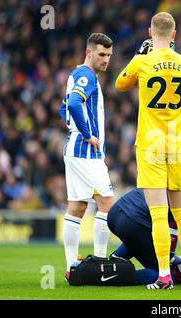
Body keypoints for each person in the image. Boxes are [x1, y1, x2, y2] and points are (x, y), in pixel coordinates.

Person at [115, 12, 181, 289]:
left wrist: (142, 54)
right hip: (178, 143)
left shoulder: (142, 61)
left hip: (151, 144)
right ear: (174, 35)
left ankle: (164, 275)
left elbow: (120, 84)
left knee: (159, 214)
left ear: (150, 32)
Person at [58, 33, 114, 280]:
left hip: (75, 149)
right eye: (101, 54)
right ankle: (101, 262)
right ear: (88, 52)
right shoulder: (87, 75)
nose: (106, 60)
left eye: (109, 55)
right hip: (85, 151)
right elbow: (71, 105)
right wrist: (88, 133)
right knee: (108, 205)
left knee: (78, 206)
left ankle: (72, 268)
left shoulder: (76, 74)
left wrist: (73, 128)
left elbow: (63, 106)